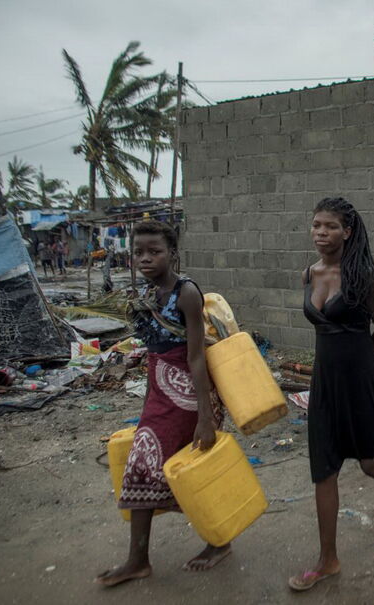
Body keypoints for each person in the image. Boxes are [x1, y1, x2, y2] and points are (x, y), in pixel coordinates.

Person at [289, 197, 374, 592]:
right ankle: (327, 559)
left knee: (368, 461)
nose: (321, 233)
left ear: (347, 231)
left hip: (359, 377)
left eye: (329, 226)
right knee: (323, 468)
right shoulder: (310, 273)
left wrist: (360, 362)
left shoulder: (363, 277)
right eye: (316, 225)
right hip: (325, 382)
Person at [97, 220, 229, 587]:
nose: (145, 258)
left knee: (188, 468)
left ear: (172, 253)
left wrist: (206, 417)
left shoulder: (185, 293)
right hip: (159, 390)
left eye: (154, 251)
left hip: (188, 394)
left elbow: (197, 357)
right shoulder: (146, 296)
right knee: (149, 467)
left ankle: (219, 542)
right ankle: (138, 560)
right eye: (139, 252)